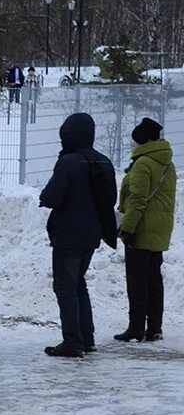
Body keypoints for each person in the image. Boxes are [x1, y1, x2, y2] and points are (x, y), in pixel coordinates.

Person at [38, 112, 116, 357]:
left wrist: (44, 198)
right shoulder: (103, 161)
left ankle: (73, 340)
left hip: (68, 234)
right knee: (78, 284)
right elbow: (110, 198)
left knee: (66, 288)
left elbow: (51, 197)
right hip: (92, 235)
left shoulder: (69, 161)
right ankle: (87, 337)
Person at [115, 117, 176, 343]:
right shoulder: (167, 163)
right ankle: (155, 328)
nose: (133, 144)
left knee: (137, 281)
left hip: (141, 230)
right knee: (154, 280)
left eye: (135, 140)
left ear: (144, 141)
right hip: (160, 230)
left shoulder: (142, 164)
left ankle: (136, 328)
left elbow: (137, 200)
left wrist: (126, 228)